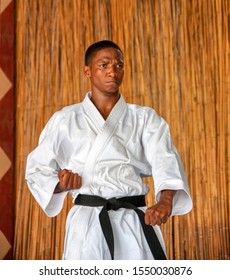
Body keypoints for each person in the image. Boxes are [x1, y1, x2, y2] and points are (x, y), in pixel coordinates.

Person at [25, 40, 193, 260]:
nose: (113, 72)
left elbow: (165, 159)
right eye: (104, 65)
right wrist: (59, 184)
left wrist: (165, 201)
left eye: (119, 65)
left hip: (135, 221)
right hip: (86, 223)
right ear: (87, 71)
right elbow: (36, 169)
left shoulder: (144, 118)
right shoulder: (65, 120)